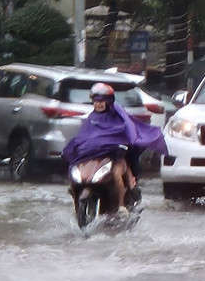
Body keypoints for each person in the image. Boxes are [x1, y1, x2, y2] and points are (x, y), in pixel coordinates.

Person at [62, 82, 167, 216]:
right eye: (95, 101)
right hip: (93, 158)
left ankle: (121, 205)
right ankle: (75, 194)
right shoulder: (91, 118)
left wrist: (122, 146)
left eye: (101, 101)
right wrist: (72, 149)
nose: (98, 104)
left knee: (116, 173)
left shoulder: (118, 118)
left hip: (115, 157)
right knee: (75, 171)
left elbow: (127, 133)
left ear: (108, 101)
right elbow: (83, 137)